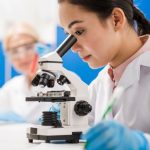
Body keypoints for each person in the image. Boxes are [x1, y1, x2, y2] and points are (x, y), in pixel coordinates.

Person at [58, 0, 150, 149]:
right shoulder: (100, 83)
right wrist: (66, 120)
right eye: (69, 36)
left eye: (79, 31)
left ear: (116, 19)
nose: (73, 48)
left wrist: (142, 143)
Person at [0, 22, 60, 123]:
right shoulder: (11, 87)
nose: (22, 56)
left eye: (28, 47)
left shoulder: (64, 81)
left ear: (41, 46)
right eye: (14, 51)